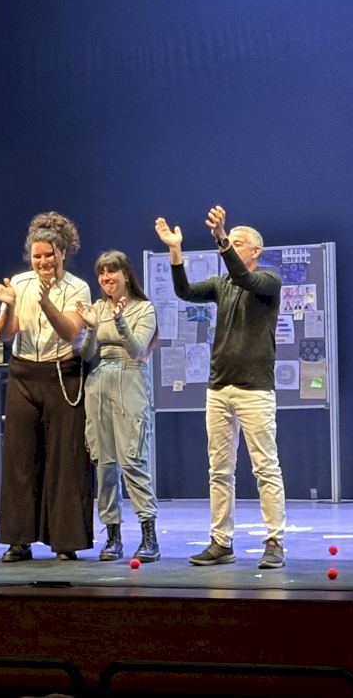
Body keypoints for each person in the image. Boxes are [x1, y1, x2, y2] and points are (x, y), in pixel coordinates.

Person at [154, 205, 286, 569]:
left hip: (255, 389)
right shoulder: (221, 284)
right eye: (230, 242)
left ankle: (274, 541)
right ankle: (221, 542)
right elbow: (184, 291)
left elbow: (245, 277)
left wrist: (221, 237)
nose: (229, 246)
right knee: (219, 471)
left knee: (265, 468)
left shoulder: (269, 281)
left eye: (238, 243)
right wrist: (175, 250)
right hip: (218, 388)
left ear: (256, 251)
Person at [0, 211, 94, 562]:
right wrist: (7, 306)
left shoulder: (77, 287)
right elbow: (5, 334)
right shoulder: (19, 283)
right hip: (24, 374)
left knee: (65, 459)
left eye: (49, 255)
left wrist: (46, 303)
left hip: (63, 374)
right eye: (37, 256)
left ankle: (65, 540)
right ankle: (19, 540)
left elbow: (71, 332)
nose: (43, 262)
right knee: (20, 457)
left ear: (62, 253)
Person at [78, 249, 160, 563]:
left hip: (131, 378)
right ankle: (113, 535)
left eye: (111, 271)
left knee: (133, 460)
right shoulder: (98, 307)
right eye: (101, 273)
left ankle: (149, 536)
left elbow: (138, 350)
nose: (106, 278)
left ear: (126, 274)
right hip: (100, 382)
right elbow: (87, 355)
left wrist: (120, 321)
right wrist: (89, 328)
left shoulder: (143, 308)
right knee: (104, 463)